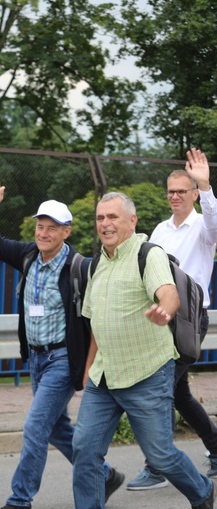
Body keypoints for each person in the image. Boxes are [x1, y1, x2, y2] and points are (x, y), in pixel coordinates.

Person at [0, 172, 123, 509]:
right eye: (40, 226)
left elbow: (95, 319)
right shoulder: (28, 255)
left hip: (61, 360)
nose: (44, 233)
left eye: (52, 227)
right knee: (56, 429)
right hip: (37, 360)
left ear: (66, 231)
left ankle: (19, 500)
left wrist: (88, 366)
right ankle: (105, 474)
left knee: (34, 428)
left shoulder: (79, 268)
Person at [72, 192, 214, 509]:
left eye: (113, 217)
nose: (105, 224)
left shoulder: (148, 255)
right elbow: (96, 324)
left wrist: (164, 309)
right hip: (104, 377)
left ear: (132, 221)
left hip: (147, 371)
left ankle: (202, 492)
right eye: (100, 218)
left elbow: (169, 293)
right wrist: (86, 374)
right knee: (84, 448)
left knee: (160, 455)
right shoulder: (95, 266)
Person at [124, 149, 217, 490]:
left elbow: (215, 221)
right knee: (178, 394)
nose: (175, 196)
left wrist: (206, 186)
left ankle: (157, 465)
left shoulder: (205, 227)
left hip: (191, 319)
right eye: (171, 191)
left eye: (183, 190)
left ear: (193, 194)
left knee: (159, 389)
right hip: (162, 316)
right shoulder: (160, 231)